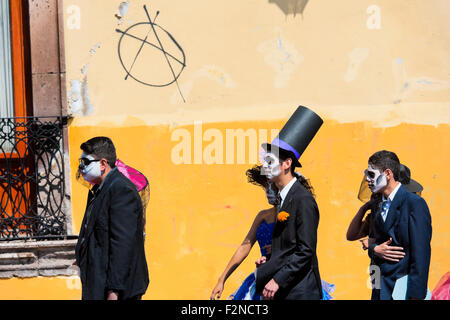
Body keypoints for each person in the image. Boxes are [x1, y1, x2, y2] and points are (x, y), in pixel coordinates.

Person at [255, 106, 324, 300]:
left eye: (270, 161)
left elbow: (305, 250)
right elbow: (288, 248)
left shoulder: (303, 200)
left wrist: (278, 280)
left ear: (287, 164)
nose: (264, 167)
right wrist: (269, 261)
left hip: (300, 292)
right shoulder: (284, 198)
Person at [74, 137, 149, 300]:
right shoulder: (98, 190)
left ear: (103, 164)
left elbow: (122, 244)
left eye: (85, 162)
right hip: (98, 282)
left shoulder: (121, 191)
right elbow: (95, 231)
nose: (81, 168)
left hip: (118, 290)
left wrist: (113, 291)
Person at [364, 150, 432, 300]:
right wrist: (374, 249)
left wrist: (415, 297)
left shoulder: (415, 204)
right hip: (379, 289)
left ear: (388, 174)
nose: (367, 179)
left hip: (402, 292)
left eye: (371, 174)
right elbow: (373, 242)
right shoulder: (377, 204)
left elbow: (421, 257)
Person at [210, 165, 278, 300]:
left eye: (272, 186)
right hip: (262, 278)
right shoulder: (262, 216)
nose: (268, 191)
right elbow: (244, 247)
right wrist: (222, 279)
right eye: (266, 187)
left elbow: (304, 247)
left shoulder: (295, 213)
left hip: (286, 280)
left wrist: (279, 248)